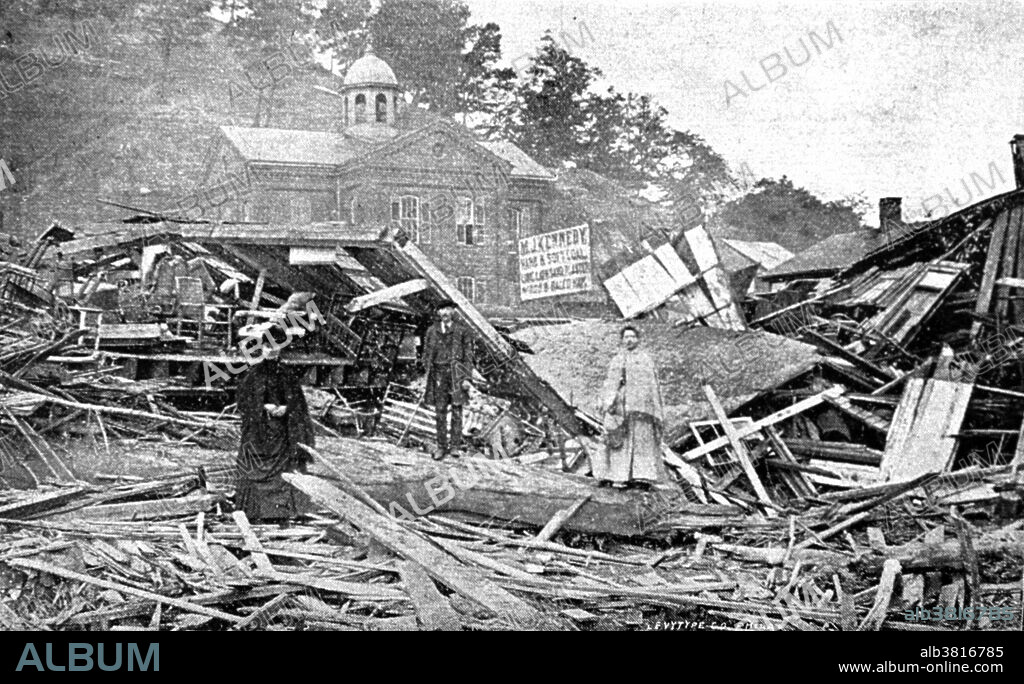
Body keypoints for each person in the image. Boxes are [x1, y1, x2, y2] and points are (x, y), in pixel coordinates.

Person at [235, 330, 315, 521]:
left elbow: (298, 403)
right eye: (268, 346)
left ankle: (281, 512)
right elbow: (244, 403)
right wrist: (263, 407)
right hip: (259, 432)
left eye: (276, 346)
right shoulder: (253, 375)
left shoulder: (287, 374)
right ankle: (254, 511)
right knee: (253, 463)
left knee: (284, 471)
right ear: (262, 348)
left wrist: (286, 409)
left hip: (282, 433)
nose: (272, 350)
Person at [594, 325, 667, 489]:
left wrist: (654, 407)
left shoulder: (646, 359)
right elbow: (611, 383)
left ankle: (642, 477)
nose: (629, 340)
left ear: (638, 339)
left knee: (642, 443)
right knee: (619, 443)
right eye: (626, 337)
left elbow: (653, 386)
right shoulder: (618, 359)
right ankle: (617, 476)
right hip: (623, 408)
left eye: (632, 337)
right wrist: (609, 401)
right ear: (621, 340)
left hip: (643, 410)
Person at [422, 302, 475, 460]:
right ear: (438, 312)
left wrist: (466, 378)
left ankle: (455, 447)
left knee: (457, 411)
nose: (444, 312)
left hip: (456, 375)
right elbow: (426, 352)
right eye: (441, 309)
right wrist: (427, 369)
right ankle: (441, 447)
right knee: (440, 411)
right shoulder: (432, 331)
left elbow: (468, 356)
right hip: (438, 374)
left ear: (453, 312)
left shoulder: (462, 331)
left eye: (448, 309)